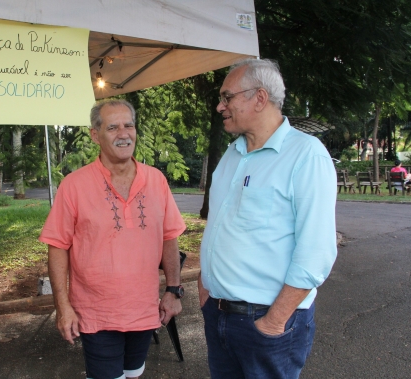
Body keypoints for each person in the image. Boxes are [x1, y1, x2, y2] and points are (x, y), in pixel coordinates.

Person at [198, 59, 337, 379]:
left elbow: (316, 252)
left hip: (267, 323)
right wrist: (206, 288)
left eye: (227, 97)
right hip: (219, 316)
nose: (220, 106)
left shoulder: (306, 155)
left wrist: (275, 320)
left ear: (259, 98)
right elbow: (219, 227)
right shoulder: (232, 156)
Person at [39, 99, 186, 379]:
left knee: (134, 373)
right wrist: (63, 306)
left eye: (129, 125)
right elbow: (58, 246)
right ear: (96, 135)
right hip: (96, 313)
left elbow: (169, 238)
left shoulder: (156, 180)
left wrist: (173, 290)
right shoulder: (74, 185)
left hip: (144, 309)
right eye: (113, 127)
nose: (124, 133)